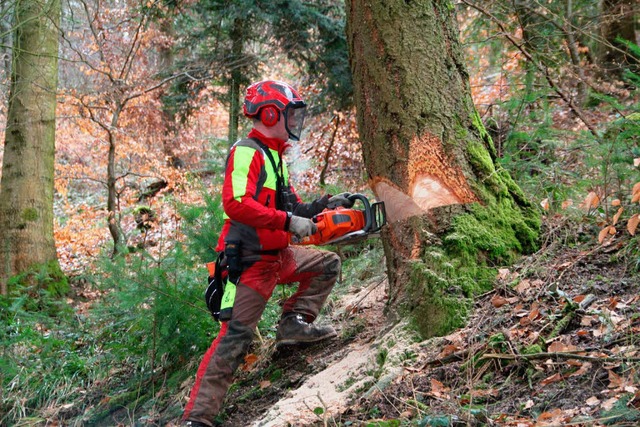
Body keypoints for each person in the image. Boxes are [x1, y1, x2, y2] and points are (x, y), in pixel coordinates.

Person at [182, 80, 353, 427]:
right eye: (289, 114)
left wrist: (324, 206)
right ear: (271, 113)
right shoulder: (248, 151)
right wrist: (289, 221)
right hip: (250, 262)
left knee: (327, 264)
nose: (294, 121)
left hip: (279, 256)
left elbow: (291, 206)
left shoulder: (275, 157)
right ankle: (196, 420)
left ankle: (295, 323)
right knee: (234, 339)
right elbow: (236, 203)